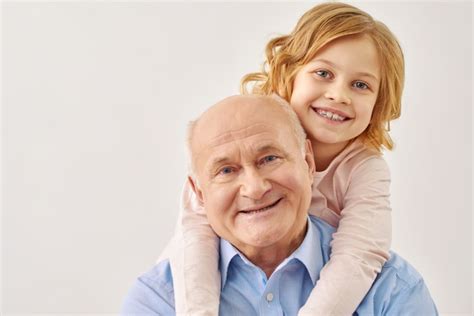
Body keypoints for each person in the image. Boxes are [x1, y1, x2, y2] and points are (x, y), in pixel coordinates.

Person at [158, 2, 406, 315]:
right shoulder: (241, 131)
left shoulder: (364, 168)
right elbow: (196, 236)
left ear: (380, 102)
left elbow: (360, 253)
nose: (339, 95)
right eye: (323, 73)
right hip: (210, 288)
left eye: (361, 84)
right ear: (289, 73)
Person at [121, 95, 437, 315]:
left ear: (308, 162)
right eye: (226, 170)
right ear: (198, 194)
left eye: (270, 158)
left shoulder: (392, 290)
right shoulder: (159, 301)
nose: (255, 188)